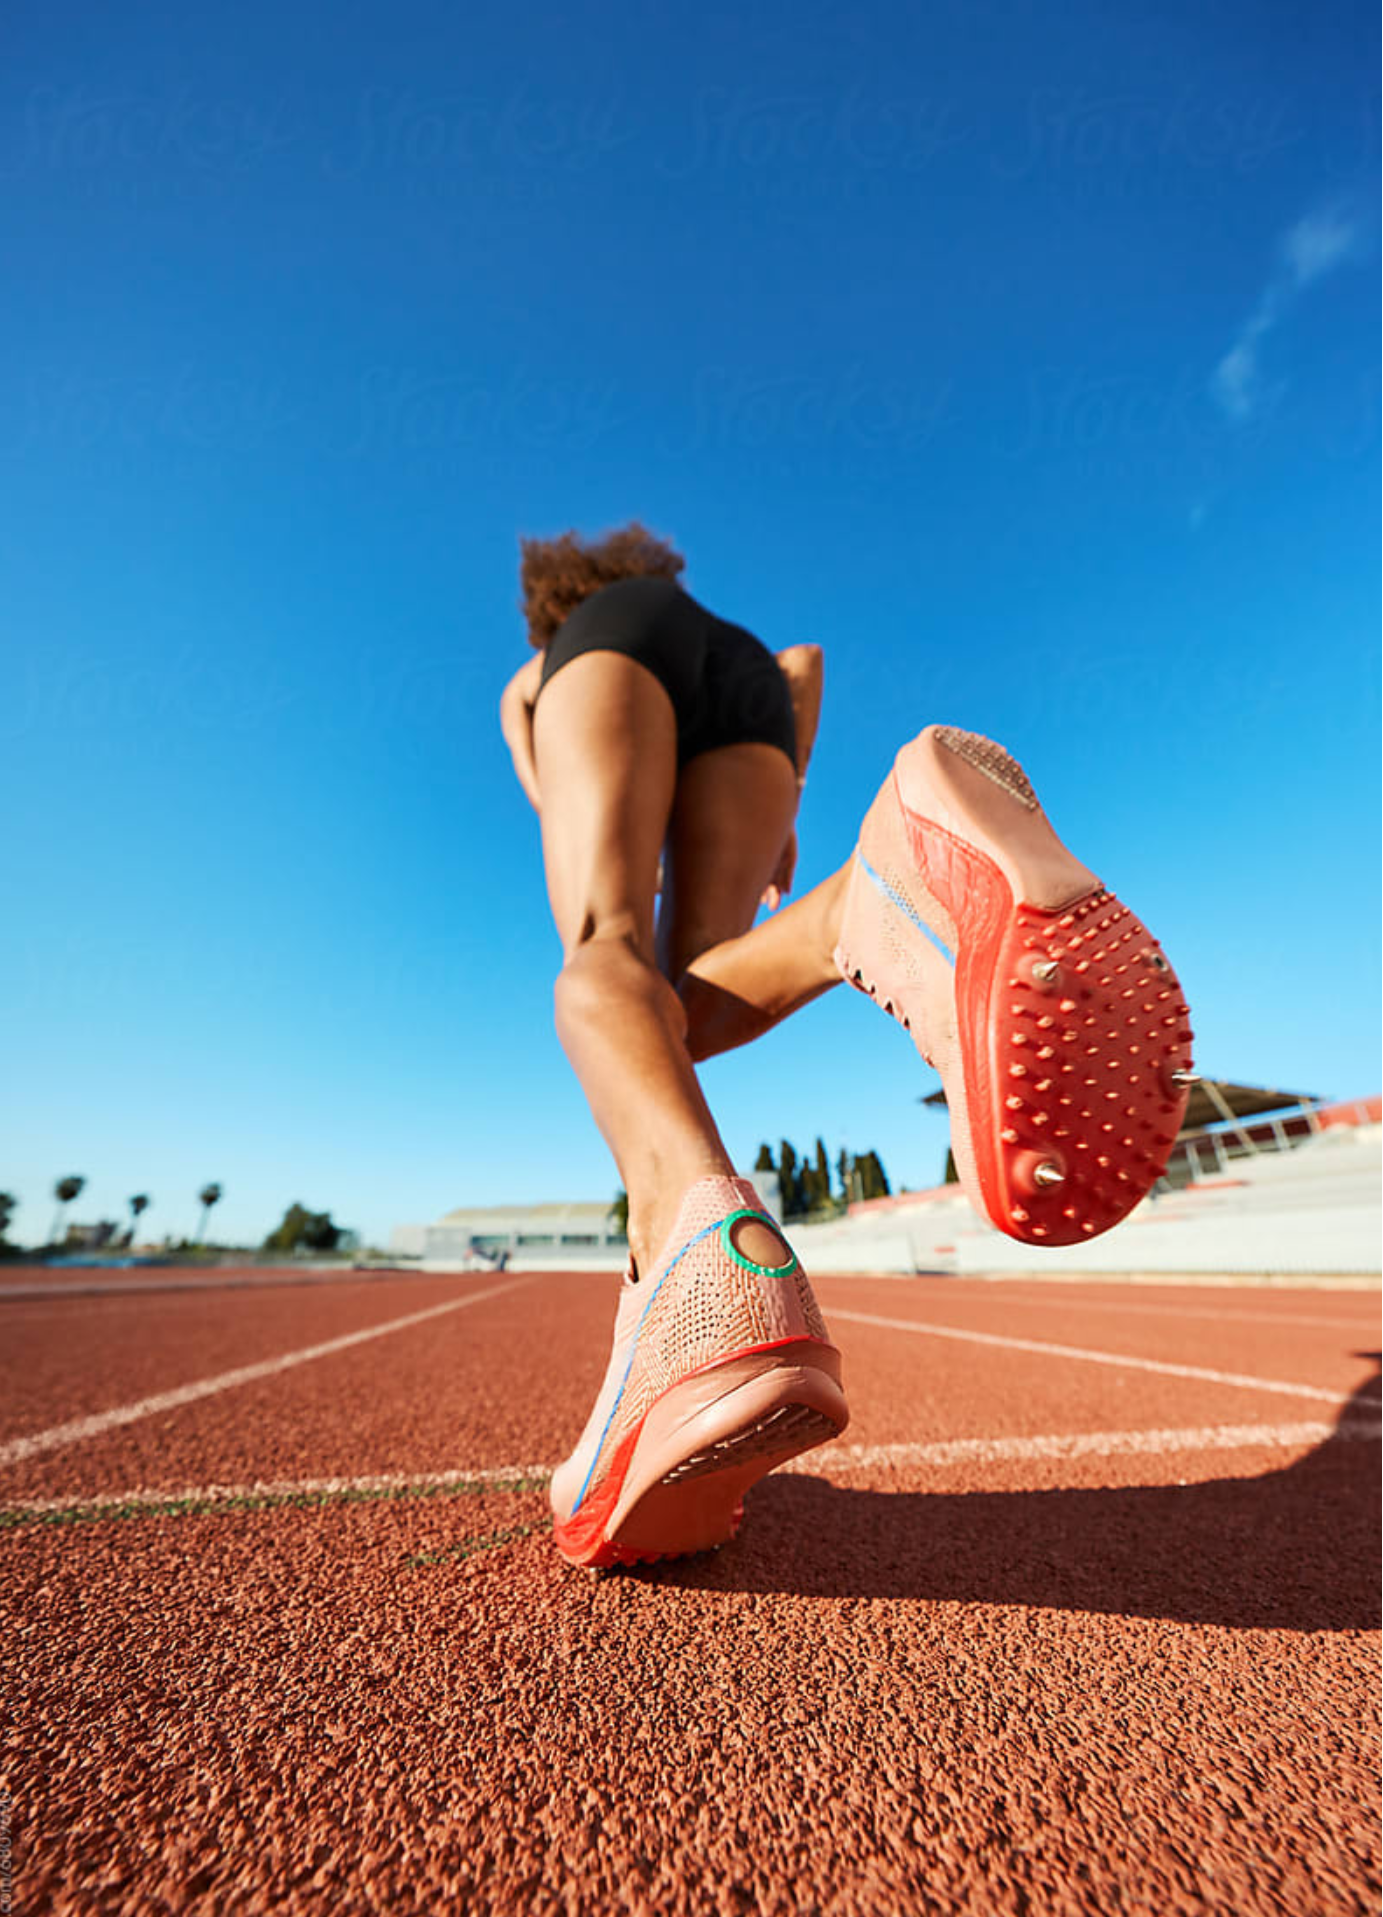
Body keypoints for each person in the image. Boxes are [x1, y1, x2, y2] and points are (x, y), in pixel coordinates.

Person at [500, 523, 1193, 1571]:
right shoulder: (728, 631)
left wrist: (578, 780)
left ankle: (688, 1257)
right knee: (686, 1009)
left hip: (608, 667)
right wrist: (783, 800)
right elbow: (800, 666)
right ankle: (864, 892)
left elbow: (538, 759)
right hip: (751, 700)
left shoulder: (550, 652)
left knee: (604, 949)